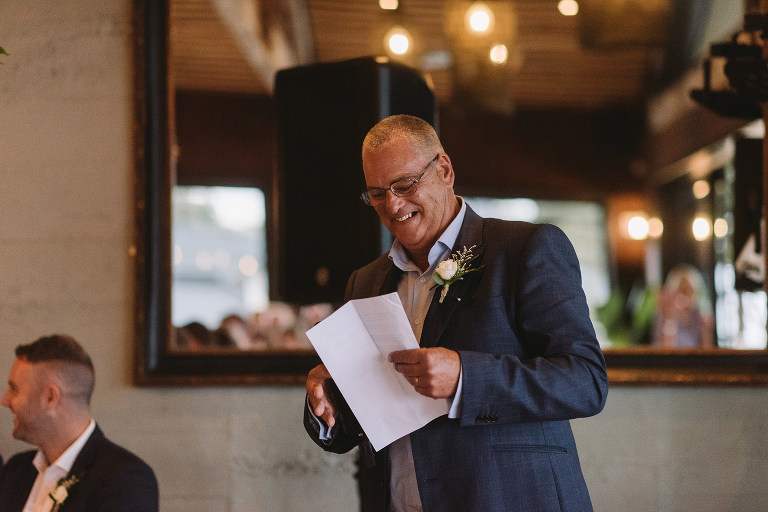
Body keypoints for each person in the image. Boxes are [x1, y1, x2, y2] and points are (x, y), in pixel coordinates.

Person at [303, 114, 609, 511]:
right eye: (377, 194)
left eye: (404, 185)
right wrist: (329, 398)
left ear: (444, 170)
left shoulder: (525, 249)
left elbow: (585, 381)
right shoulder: (364, 282)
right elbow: (357, 428)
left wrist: (466, 377)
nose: (392, 205)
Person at [0, 334, 159, 512]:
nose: (5, 400)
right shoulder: (17, 470)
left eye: (14, 389)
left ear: (51, 397)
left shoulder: (126, 480)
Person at [652, 264, 714, 348]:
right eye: (682, 290)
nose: (686, 296)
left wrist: (706, 331)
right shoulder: (664, 315)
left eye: (690, 291)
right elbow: (666, 351)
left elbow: (706, 351)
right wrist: (670, 318)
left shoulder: (698, 315)